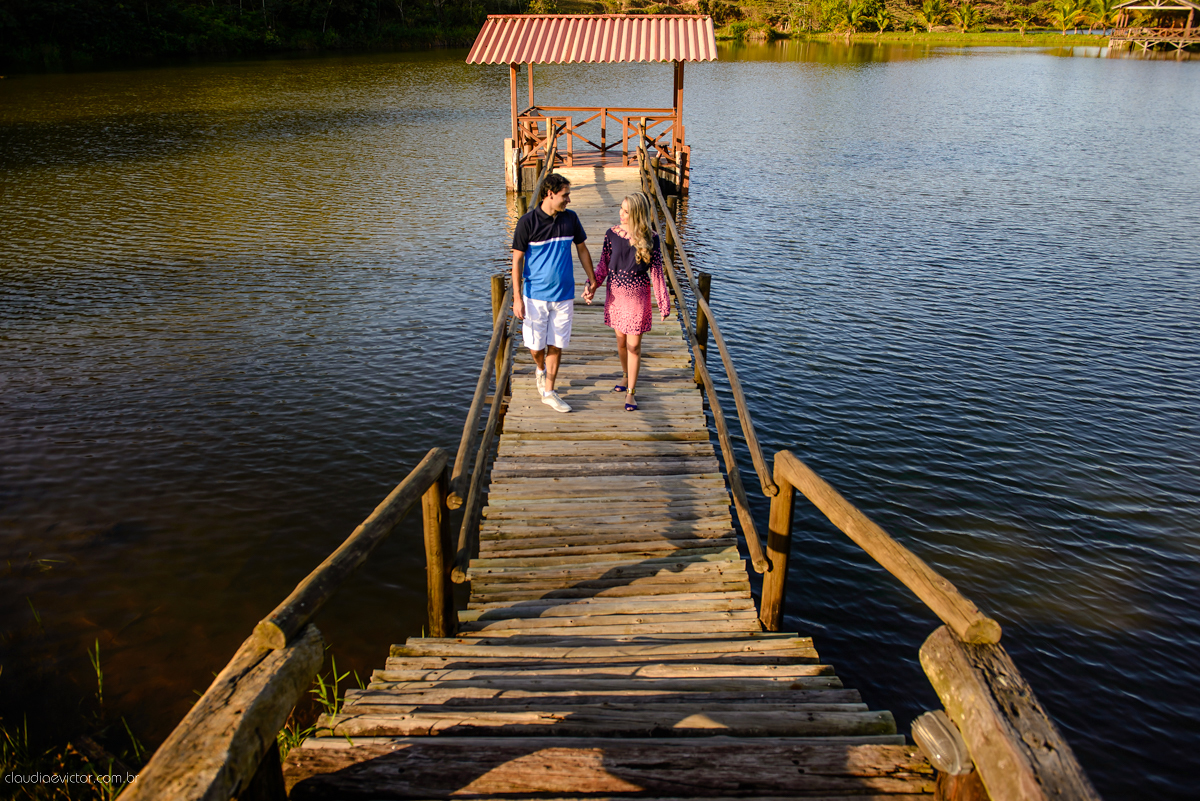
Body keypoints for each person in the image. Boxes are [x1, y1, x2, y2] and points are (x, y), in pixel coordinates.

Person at [511, 173, 596, 413]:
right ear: (550, 194)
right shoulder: (527, 223)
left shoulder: (571, 219)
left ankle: (549, 391)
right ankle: (540, 369)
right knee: (536, 347)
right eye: (565, 195)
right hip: (534, 295)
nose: (568, 200)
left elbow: (582, 249)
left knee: (556, 344)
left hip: (563, 295)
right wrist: (517, 298)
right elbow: (517, 261)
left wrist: (592, 279)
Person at [582, 192, 670, 412]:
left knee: (634, 346)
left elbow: (657, 272)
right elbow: (602, 266)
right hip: (616, 295)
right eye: (621, 208)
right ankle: (625, 375)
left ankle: (631, 392)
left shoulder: (652, 239)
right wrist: (591, 286)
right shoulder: (611, 234)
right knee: (621, 342)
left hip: (638, 295)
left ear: (638, 214)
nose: (621, 214)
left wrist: (663, 301)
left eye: (627, 211)